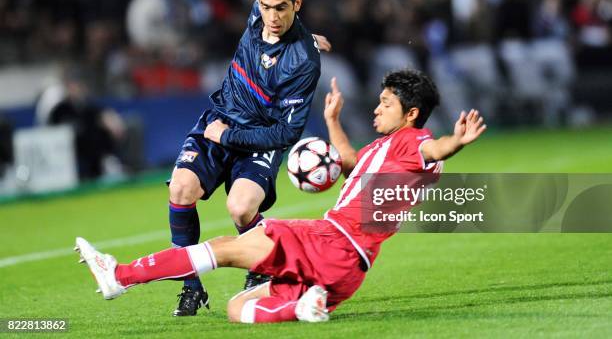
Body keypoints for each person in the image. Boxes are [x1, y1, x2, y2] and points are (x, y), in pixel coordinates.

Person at [76, 69, 487, 323]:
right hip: (346, 272)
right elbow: (349, 162)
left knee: (224, 248)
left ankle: (119, 276)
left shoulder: (413, 142)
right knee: (239, 310)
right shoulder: (386, 150)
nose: (377, 110)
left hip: (330, 241)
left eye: (385, 103)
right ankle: (305, 306)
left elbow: (433, 150)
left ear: (411, 114)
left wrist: (458, 142)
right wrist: (332, 120)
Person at [164, 0, 330, 316]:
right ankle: (191, 287)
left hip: (257, 136)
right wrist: (307, 33)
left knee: (240, 208)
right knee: (180, 189)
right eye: (266, 6)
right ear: (257, 1)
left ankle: (262, 266)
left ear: (297, 4)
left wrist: (306, 42)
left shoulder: (304, 62)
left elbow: (286, 132)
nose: (272, 17)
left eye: (282, 8)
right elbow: (278, 21)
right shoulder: (257, 14)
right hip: (221, 117)